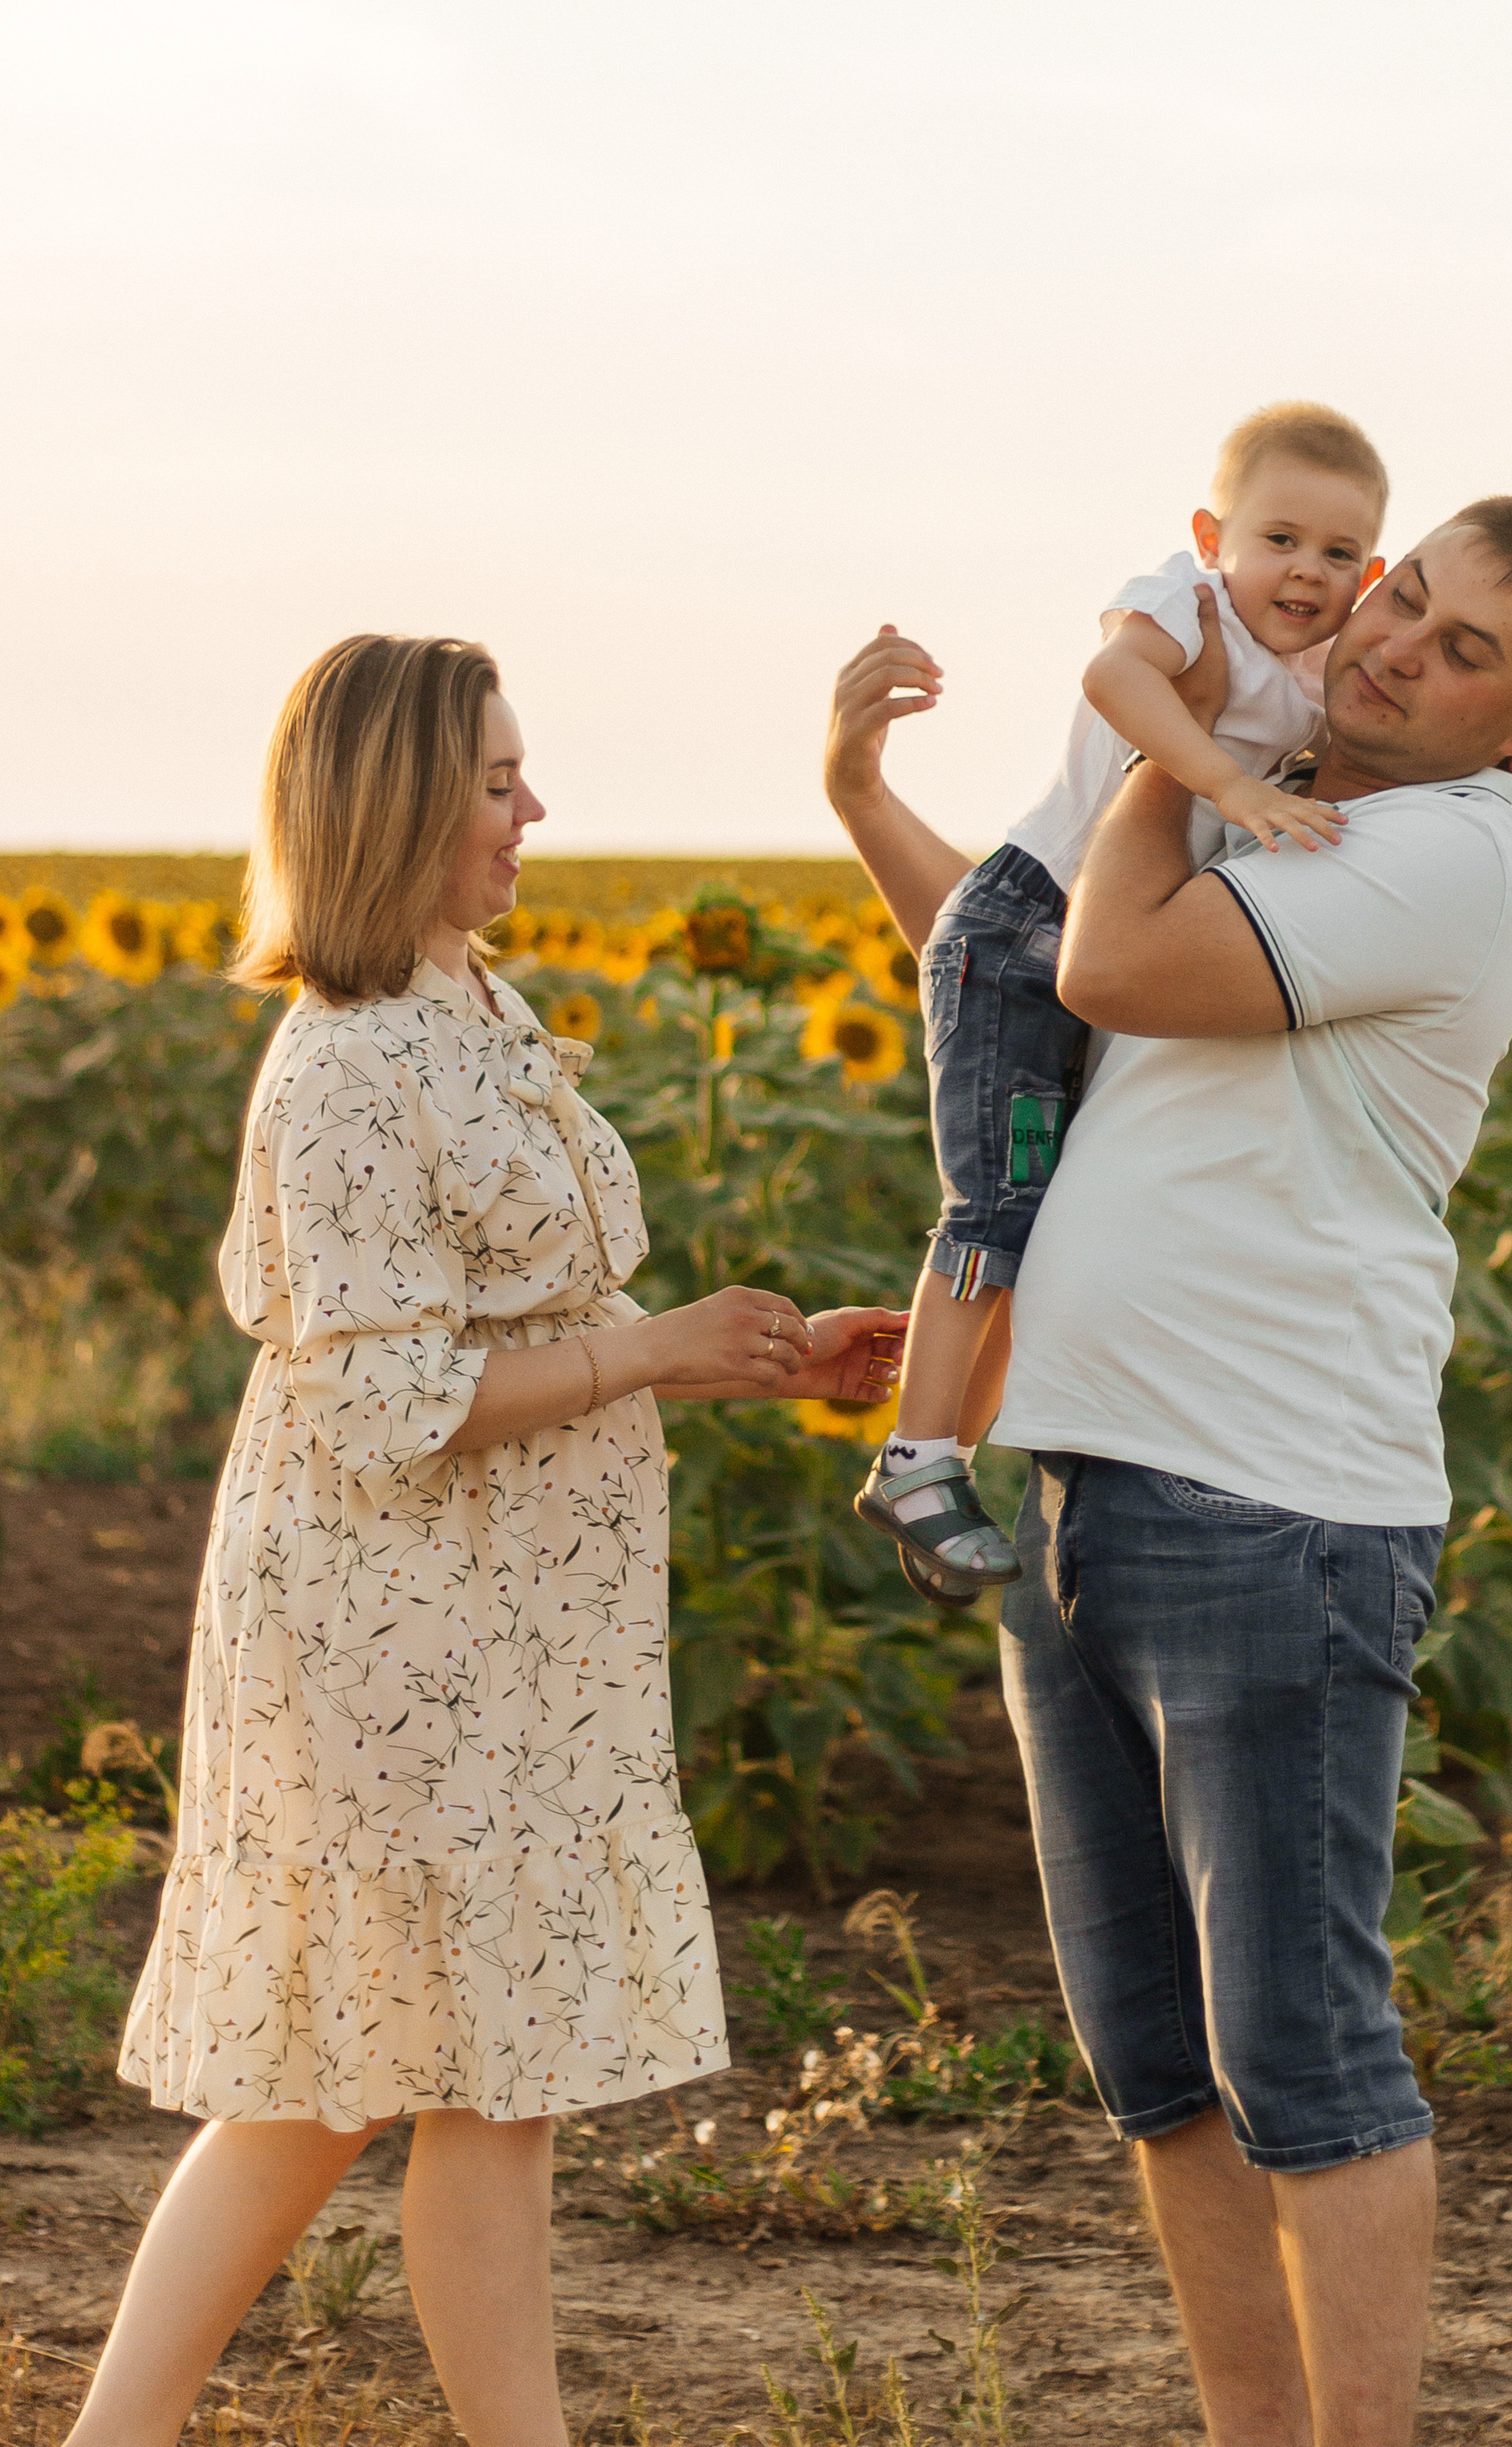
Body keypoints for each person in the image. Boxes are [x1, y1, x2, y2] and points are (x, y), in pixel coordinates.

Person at [825, 497, 1512, 2447]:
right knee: (1162, 2074)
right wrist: (862, 791)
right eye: (1399, 596)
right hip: (1086, 1487)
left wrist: (1171, 729)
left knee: (1306, 2060)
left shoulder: (1428, 853)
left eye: (1458, 653)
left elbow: (1103, 960)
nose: (1389, 644)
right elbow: (1000, 962)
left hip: (1273, 1510)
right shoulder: (1272, 803)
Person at [75, 633, 904, 2447]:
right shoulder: (345, 1065)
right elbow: (388, 1396)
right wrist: (653, 1351)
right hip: (394, 1622)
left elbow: (525, 1328)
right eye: (495, 782)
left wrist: (750, 1362)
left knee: (464, 2068)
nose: (535, 811)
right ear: (394, 807)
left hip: (516, 1615)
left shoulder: (472, 1009)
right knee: (370, 2069)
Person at [852, 401, 1388, 1608]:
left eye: (1340, 554)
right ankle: (916, 1463)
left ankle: (955, 1465)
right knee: (992, 1209)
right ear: (1214, 537)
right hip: (1021, 933)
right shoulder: (1189, 611)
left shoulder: (1314, 675)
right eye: (1280, 539)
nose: (1307, 571)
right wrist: (1224, 782)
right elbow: (1115, 677)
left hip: (1090, 953)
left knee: (1037, 1225)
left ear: (1375, 572)